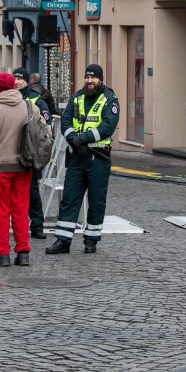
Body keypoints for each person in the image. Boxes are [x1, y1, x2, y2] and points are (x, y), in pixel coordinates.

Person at [0, 72, 48, 267]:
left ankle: (2, 253)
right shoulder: (30, 106)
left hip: (2, 166)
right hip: (25, 165)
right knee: (21, 209)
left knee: (1, 210)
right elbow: (46, 132)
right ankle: (23, 252)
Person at [46, 64, 119, 255]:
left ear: (100, 80)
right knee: (69, 199)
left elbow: (107, 127)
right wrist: (74, 141)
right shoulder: (76, 97)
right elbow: (66, 121)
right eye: (87, 77)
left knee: (96, 201)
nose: (89, 81)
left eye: (93, 78)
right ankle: (63, 240)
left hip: (99, 158)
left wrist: (83, 139)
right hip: (77, 157)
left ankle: (91, 240)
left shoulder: (110, 100)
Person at [12, 67, 51, 239]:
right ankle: (13, 225)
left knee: (32, 191)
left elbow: (46, 129)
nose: (17, 81)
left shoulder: (37, 100)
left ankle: (37, 226)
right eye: (14, 78)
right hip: (12, 151)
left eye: (20, 79)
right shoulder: (9, 97)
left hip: (31, 152)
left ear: (28, 81)